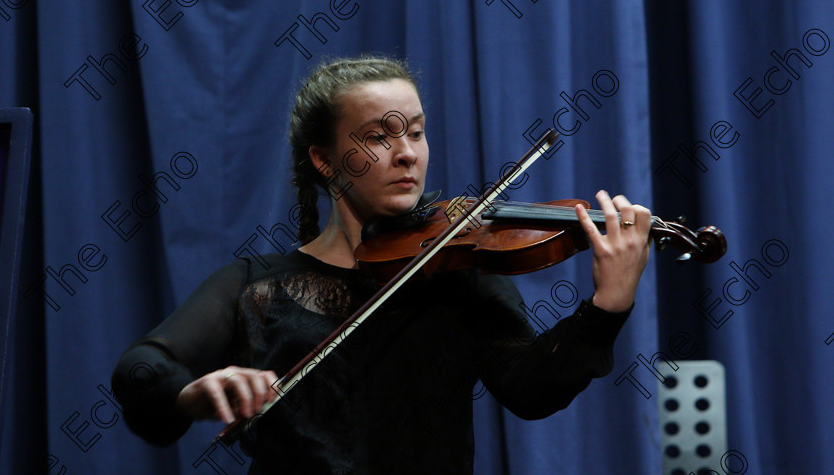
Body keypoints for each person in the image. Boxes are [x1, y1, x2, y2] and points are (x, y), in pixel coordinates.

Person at [112, 56, 652, 474]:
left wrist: (607, 307)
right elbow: (139, 370)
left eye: (415, 132)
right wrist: (187, 392)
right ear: (323, 160)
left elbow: (533, 391)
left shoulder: (456, 272)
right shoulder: (255, 284)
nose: (407, 153)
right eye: (377, 136)